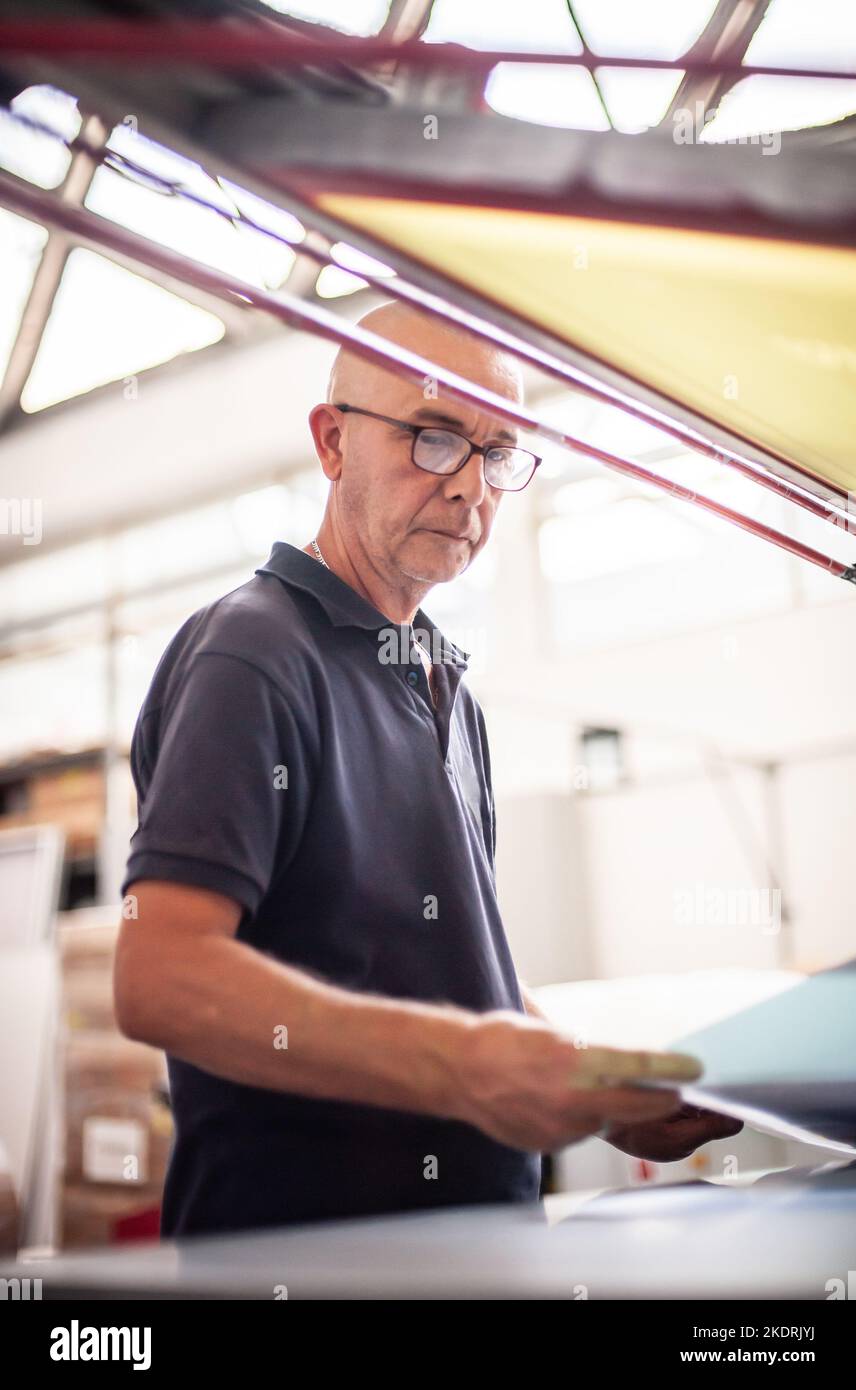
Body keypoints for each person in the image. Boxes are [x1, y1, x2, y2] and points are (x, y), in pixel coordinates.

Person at [115, 300, 741, 1237]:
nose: (469, 490)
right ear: (332, 443)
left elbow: (460, 984)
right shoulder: (252, 656)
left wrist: (592, 1082)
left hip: (476, 1254)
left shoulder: (449, 687)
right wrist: (460, 1065)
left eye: (497, 455)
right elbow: (160, 975)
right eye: (435, 438)